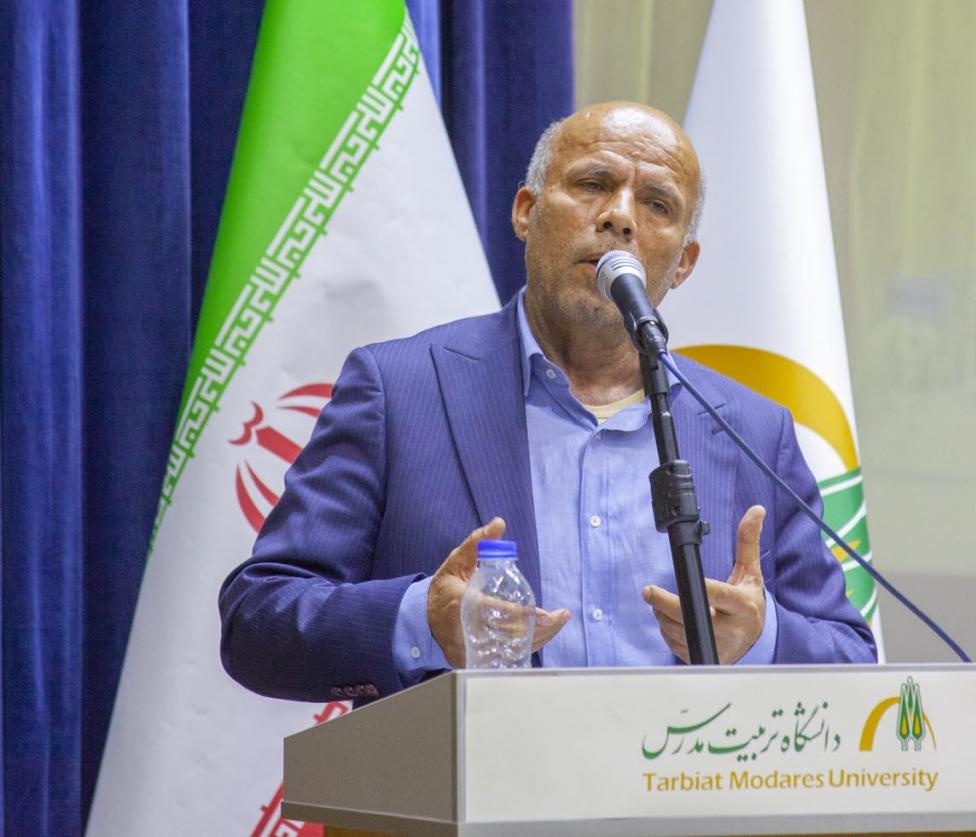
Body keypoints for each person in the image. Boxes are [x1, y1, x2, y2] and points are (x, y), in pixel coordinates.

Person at [218, 101, 876, 704]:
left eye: (657, 204)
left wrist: (759, 639)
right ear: (525, 211)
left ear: (683, 263)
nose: (619, 217)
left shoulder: (752, 432)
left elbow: (852, 659)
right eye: (592, 184)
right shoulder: (398, 391)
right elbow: (257, 618)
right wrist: (421, 622)